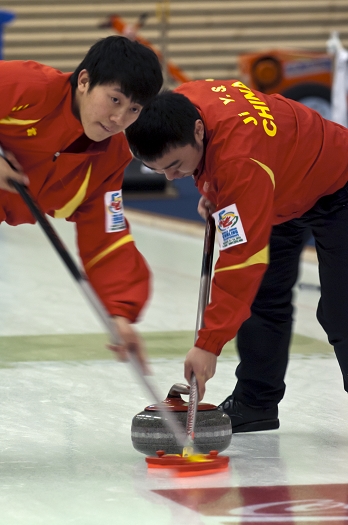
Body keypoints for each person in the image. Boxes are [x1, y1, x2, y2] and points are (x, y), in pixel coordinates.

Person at [125, 79, 348, 432]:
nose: (172, 177)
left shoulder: (240, 162)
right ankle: (255, 403)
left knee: (342, 310)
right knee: (263, 297)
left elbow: (241, 262)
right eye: (161, 170)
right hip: (280, 185)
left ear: (197, 131)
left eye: (176, 164)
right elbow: (220, 165)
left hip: (338, 182)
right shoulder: (182, 105)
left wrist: (208, 345)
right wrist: (212, 185)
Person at [0, 36, 162, 369]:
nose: (119, 118)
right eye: (114, 99)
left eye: (134, 109)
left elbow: (107, 235)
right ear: (85, 81)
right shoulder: (25, 86)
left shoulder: (111, 156)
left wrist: (121, 312)